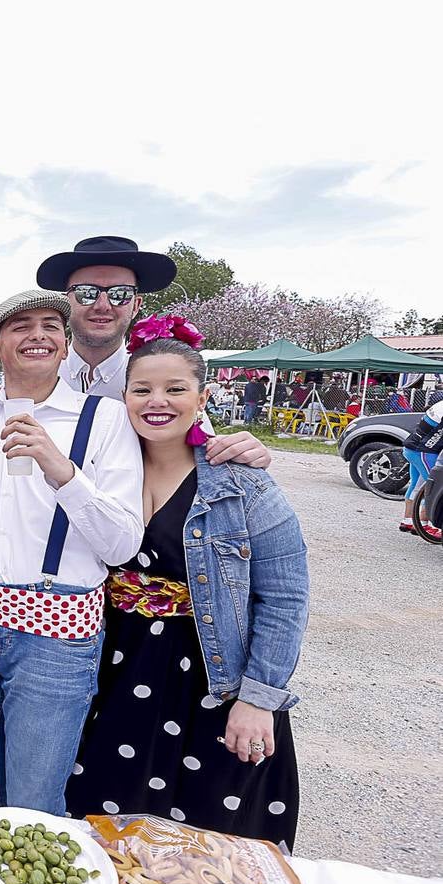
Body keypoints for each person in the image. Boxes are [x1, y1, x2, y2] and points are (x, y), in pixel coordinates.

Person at [67, 320, 307, 848]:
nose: (158, 401)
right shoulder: (101, 469)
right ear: (123, 396)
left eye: (175, 389)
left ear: (201, 397)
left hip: (210, 680)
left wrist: (259, 700)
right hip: (112, 670)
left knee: (211, 841)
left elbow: (285, 596)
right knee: (106, 828)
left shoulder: (240, 480)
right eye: (142, 389)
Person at [0, 289, 144, 813]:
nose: (37, 335)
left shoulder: (107, 419)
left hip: (56, 634)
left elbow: (123, 544)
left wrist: (63, 472)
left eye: (50, 326)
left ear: (65, 344)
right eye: (20, 326)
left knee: (33, 797)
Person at [0, 235, 269, 467]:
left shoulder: (157, 384)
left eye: (120, 294)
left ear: (136, 304)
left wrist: (239, 451)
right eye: (87, 293)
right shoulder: (30, 377)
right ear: (67, 300)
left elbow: (201, 450)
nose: (103, 305)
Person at [400, 398, 443, 537]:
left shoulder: (440, 405)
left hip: (412, 448)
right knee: (432, 487)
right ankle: (423, 525)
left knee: (417, 486)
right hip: (424, 452)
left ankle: (408, 520)